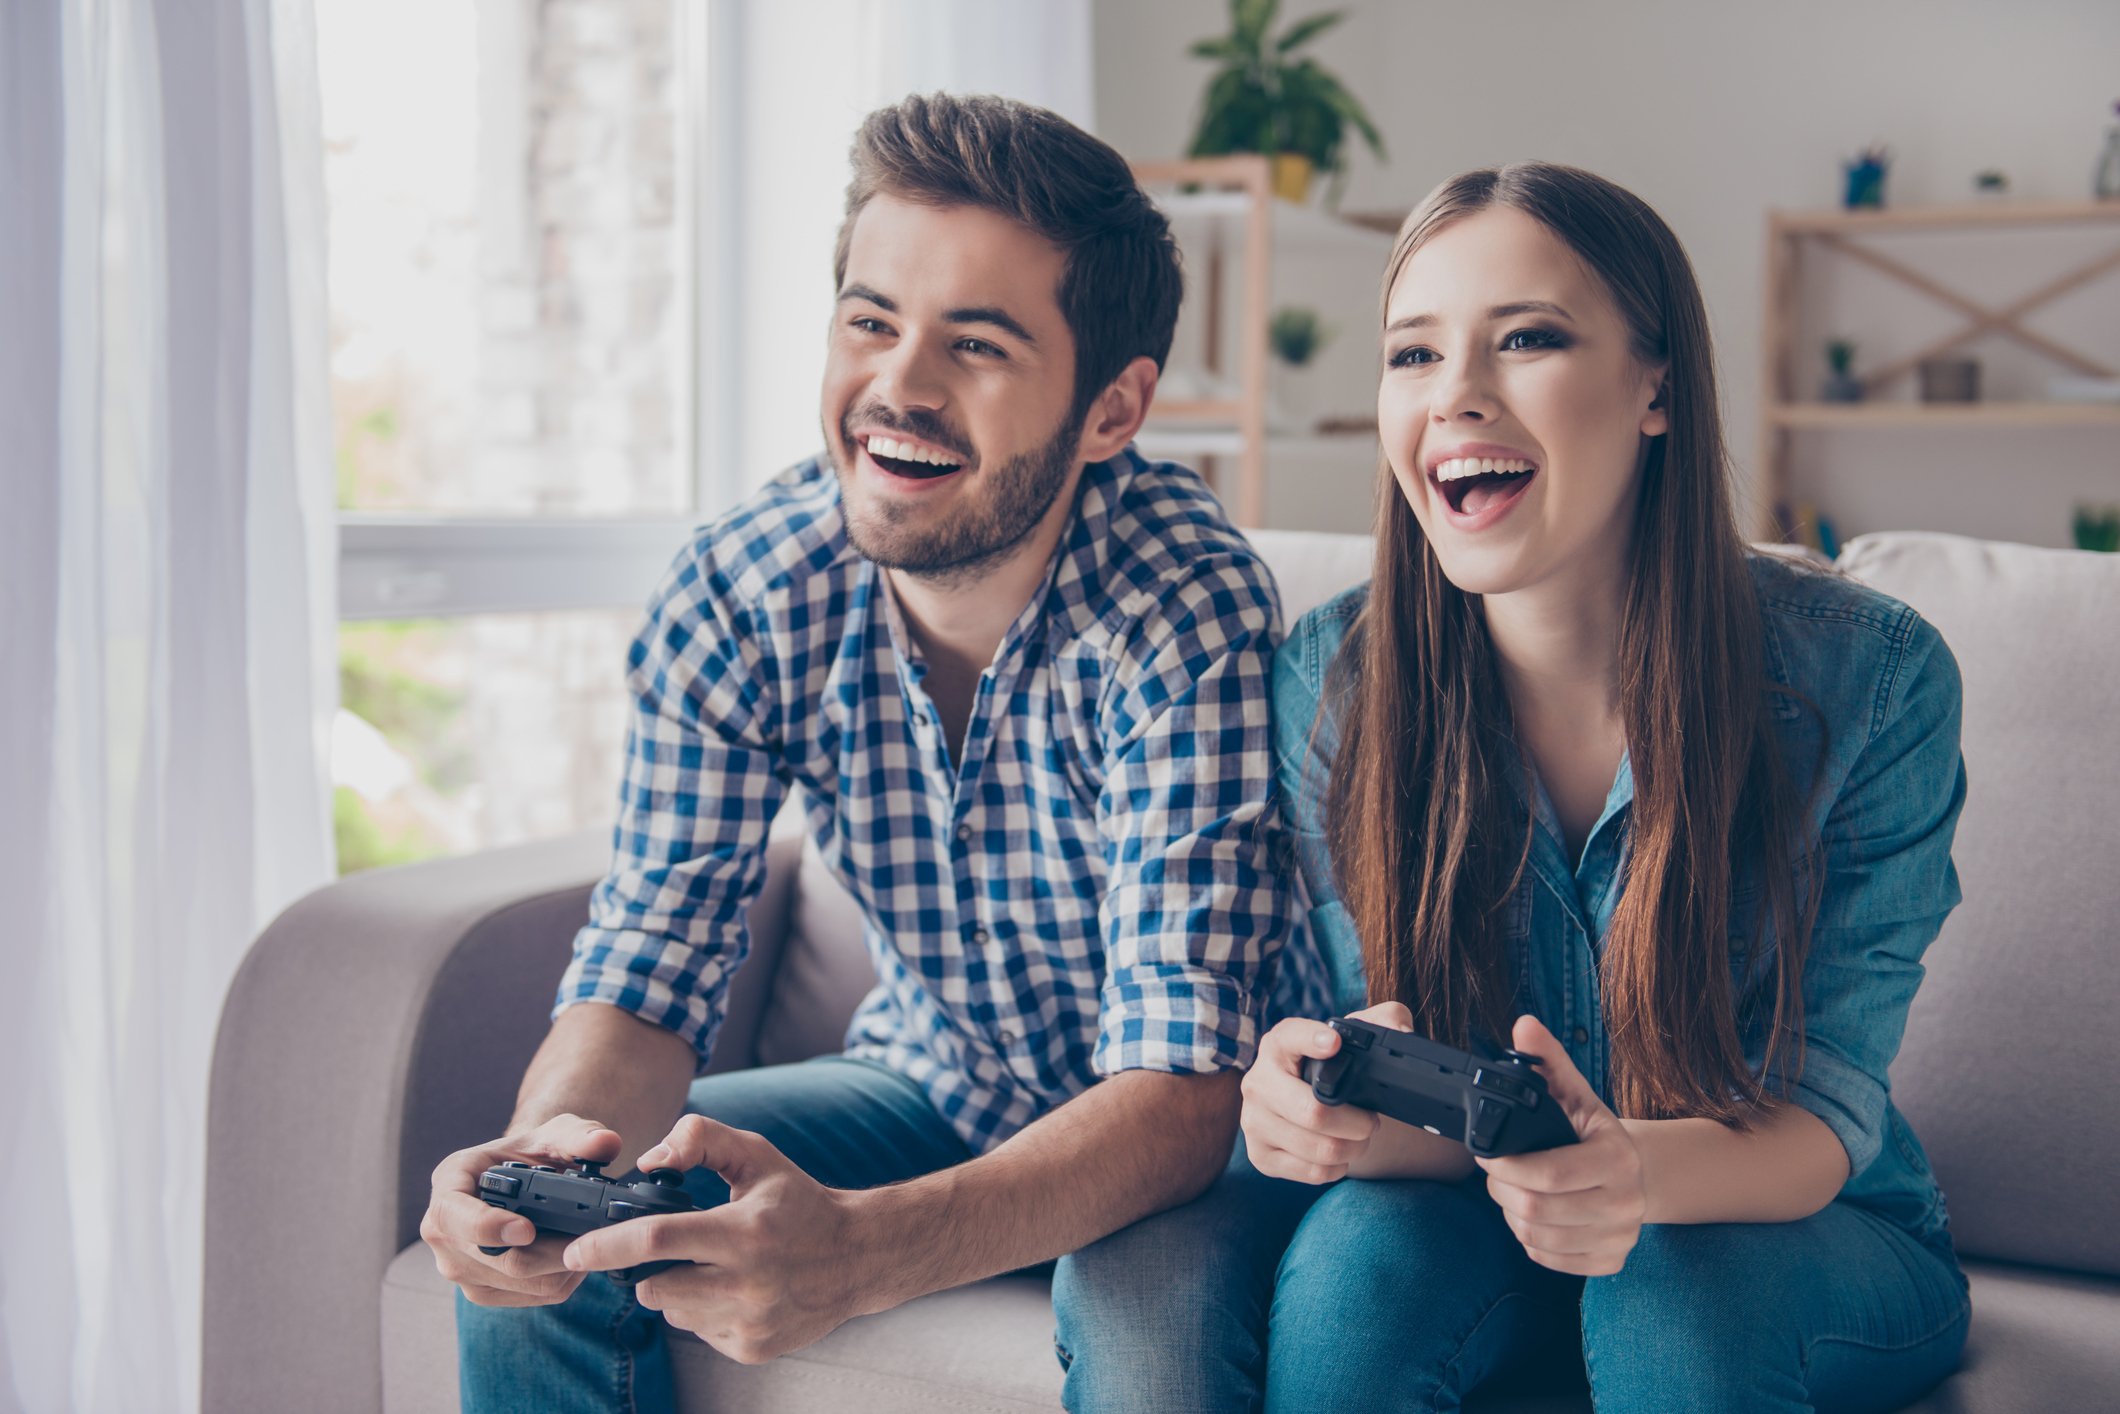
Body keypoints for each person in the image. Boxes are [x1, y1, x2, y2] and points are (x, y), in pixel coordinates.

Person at [421, 93, 1328, 1412]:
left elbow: (1179, 1090)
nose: (898, 386)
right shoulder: (744, 588)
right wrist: (548, 1149)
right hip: (932, 1075)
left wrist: (862, 1256)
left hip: (1186, 1137)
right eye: (870, 321)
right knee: (564, 1242)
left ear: (1114, 409)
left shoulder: (1181, 607)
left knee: (1149, 1350)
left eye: (977, 344)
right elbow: (648, 965)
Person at [1053, 162, 1971, 1413]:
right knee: (1349, 1279)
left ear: (1655, 386)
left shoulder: (1871, 678)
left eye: (1526, 339)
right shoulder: (1332, 681)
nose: (1456, 398)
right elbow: (1408, 1078)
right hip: (1479, 1201)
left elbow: (1821, 1124)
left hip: (1787, 1222)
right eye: (1412, 356)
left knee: (1666, 1292)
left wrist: (1628, 1177)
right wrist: (1313, 1112)